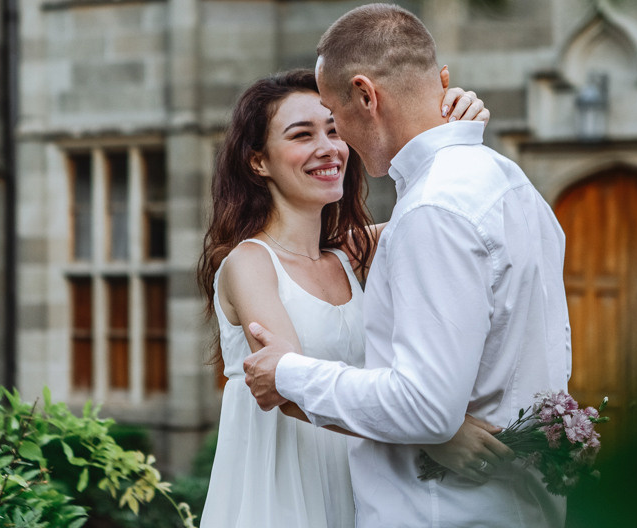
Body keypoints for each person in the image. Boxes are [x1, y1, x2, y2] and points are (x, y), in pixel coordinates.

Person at [243, 4, 572, 528]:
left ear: (366, 96)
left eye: (336, 117)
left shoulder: (432, 212)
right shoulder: (513, 186)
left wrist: (289, 373)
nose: (338, 141)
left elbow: (425, 408)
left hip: (442, 512)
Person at [198, 67, 504, 528]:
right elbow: (287, 385)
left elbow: (438, 208)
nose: (328, 148)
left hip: (362, 475)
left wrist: (453, 124)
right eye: (302, 135)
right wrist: (433, 436)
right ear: (258, 161)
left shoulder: (355, 254)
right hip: (283, 486)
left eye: (334, 130)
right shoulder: (249, 264)